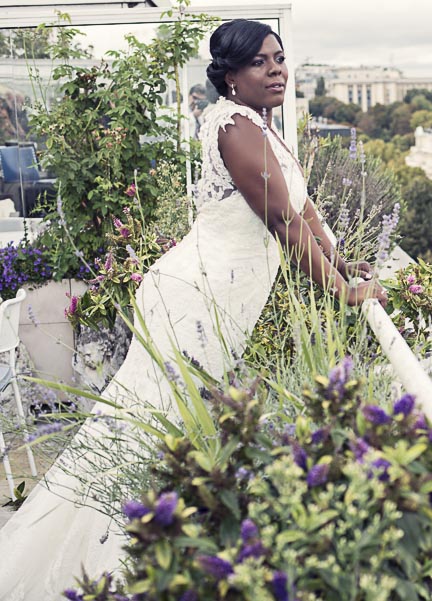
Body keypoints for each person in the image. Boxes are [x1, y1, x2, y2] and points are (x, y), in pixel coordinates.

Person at [0, 19, 386, 600]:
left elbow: (301, 211)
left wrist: (340, 260)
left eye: (280, 57)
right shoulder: (233, 127)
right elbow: (280, 221)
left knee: (167, 426)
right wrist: (340, 291)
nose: (277, 68)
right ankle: (111, 563)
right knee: (150, 430)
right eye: (260, 62)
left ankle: (144, 553)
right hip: (197, 298)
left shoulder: (261, 126)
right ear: (230, 76)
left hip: (221, 298)